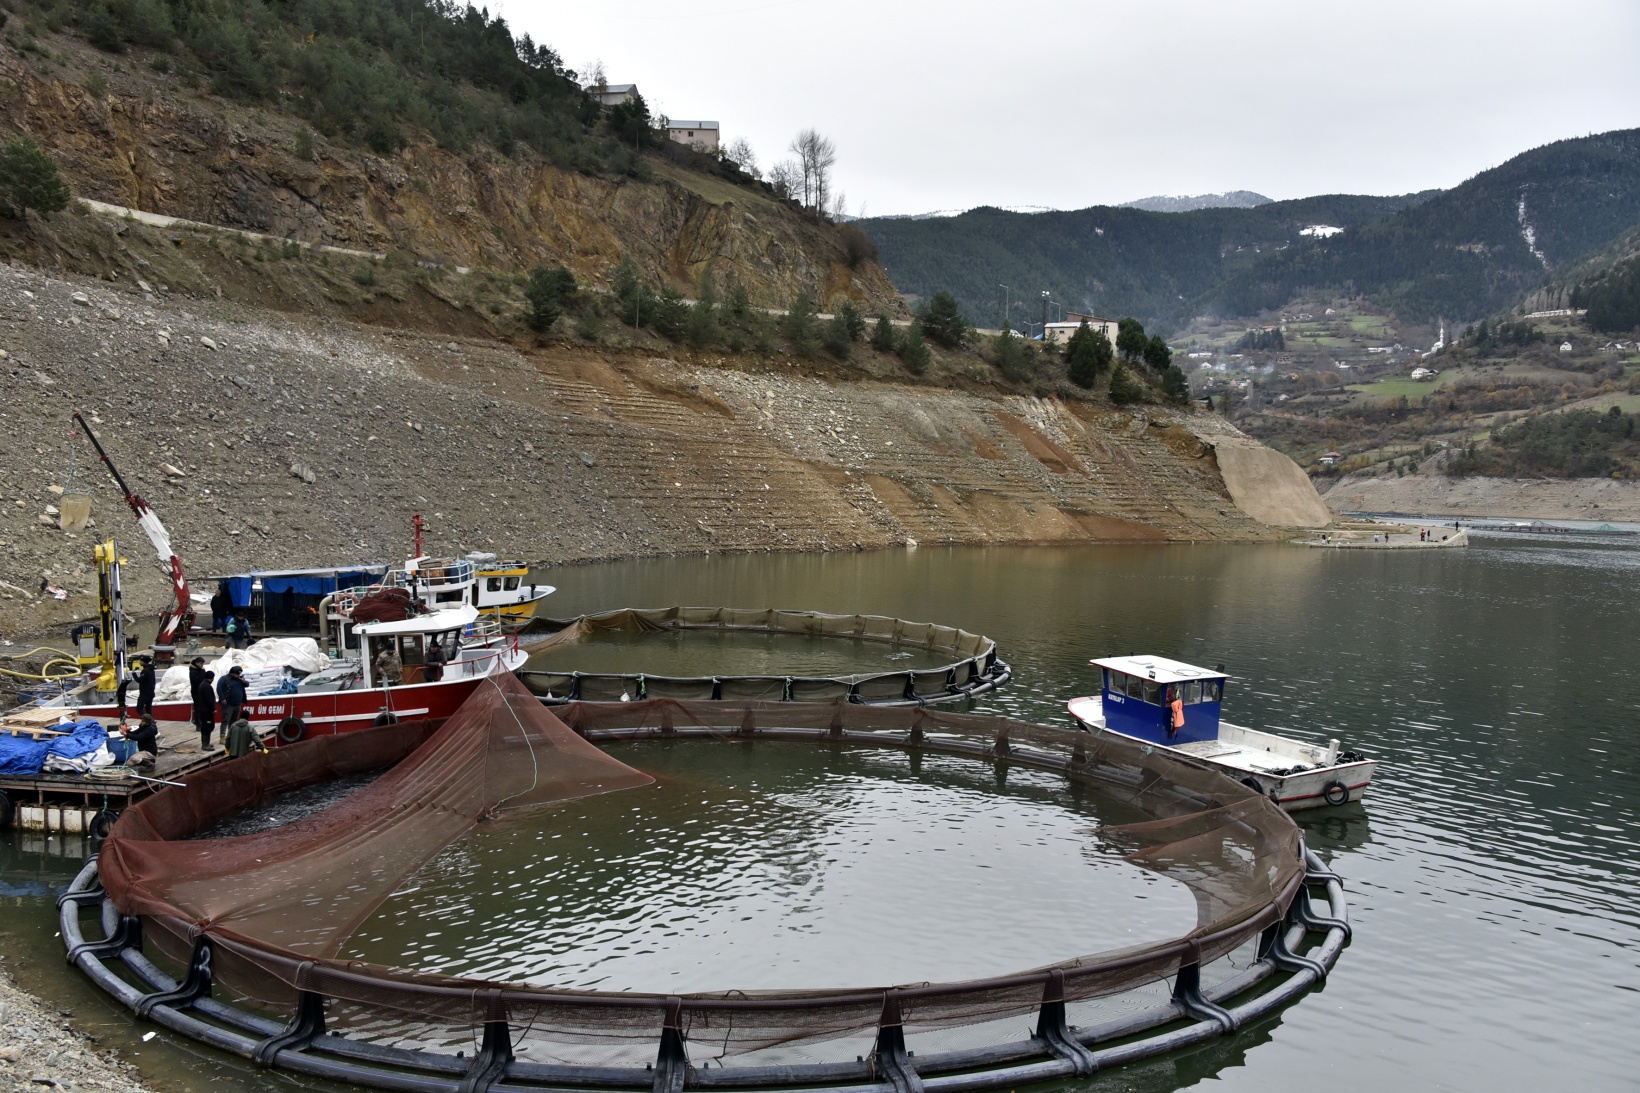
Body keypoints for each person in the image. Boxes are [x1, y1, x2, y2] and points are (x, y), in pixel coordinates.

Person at [217, 665, 248, 730]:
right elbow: (219, 689)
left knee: (234, 721)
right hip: (228, 704)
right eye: (237, 674)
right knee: (225, 720)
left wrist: (244, 682)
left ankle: (231, 735)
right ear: (232, 673)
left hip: (237, 704)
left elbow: (247, 684)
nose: (238, 675)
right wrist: (222, 698)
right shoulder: (224, 679)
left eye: (239, 674)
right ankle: (222, 736)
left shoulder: (240, 680)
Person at [193, 669, 217, 750]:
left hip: (203, 710)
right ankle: (205, 744)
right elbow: (209, 699)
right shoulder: (207, 686)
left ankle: (206, 743)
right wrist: (213, 708)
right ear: (212, 678)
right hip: (206, 711)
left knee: (206, 727)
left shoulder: (202, 684)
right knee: (207, 727)